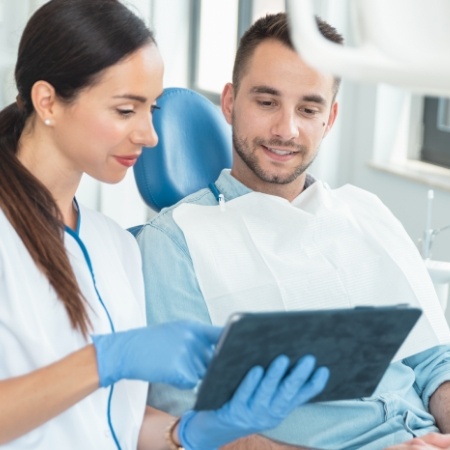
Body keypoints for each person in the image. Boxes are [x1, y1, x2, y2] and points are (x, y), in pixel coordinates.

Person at [0, 2, 332, 449]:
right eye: (125, 110)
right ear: (48, 102)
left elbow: (119, 422)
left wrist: (199, 430)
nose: (149, 135)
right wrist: (104, 360)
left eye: (151, 109)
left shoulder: (113, 245)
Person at [136, 12, 450, 450]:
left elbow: (433, 357)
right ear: (229, 103)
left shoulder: (366, 212)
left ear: (331, 118)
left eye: (308, 108)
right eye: (266, 102)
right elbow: (190, 426)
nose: (286, 129)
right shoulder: (175, 241)